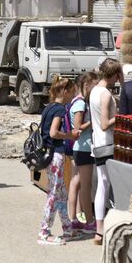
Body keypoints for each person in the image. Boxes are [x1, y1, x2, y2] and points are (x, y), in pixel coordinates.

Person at [37, 77, 81, 245]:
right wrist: (70, 135)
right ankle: (44, 232)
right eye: (72, 92)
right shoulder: (60, 110)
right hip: (55, 155)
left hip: (49, 155)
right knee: (54, 193)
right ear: (64, 91)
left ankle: (67, 228)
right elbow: (54, 133)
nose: (73, 95)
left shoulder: (49, 108)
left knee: (61, 192)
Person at [89, 58, 124, 245]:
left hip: (97, 144)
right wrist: (119, 116)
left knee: (103, 184)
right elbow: (104, 124)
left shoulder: (95, 90)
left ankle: (99, 229)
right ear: (115, 75)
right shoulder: (105, 95)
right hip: (107, 144)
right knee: (106, 185)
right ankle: (102, 229)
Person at [67, 72, 99, 235]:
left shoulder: (76, 101)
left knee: (77, 183)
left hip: (79, 148)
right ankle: (89, 221)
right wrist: (94, 122)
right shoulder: (80, 104)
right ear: (86, 84)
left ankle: (73, 220)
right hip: (84, 148)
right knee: (86, 186)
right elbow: (77, 128)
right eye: (93, 85)